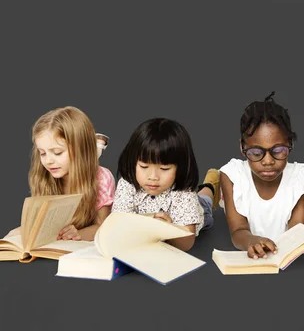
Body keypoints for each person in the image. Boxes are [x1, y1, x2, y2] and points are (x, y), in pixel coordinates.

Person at [220, 92, 304, 262]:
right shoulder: (232, 176)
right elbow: (238, 231)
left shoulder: (299, 178)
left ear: (290, 145)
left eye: (278, 151)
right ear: (242, 147)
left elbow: (297, 229)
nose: (268, 161)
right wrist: (251, 240)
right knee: (205, 205)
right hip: (227, 190)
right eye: (256, 153)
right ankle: (209, 187)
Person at [111, 118, 220, 252]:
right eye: (144, 166)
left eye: (164, 169)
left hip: (197, 211)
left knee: (205, 201)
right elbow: (118, 222)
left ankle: (211, 184)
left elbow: (187, 243)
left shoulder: (184, 193)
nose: (153, 177)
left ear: (180, 167)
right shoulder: (127, 184)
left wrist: (170, 231)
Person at [28, 106, 115, 241]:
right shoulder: (44, 177)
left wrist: (79, 234)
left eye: (57, 152)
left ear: (80, 149)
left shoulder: (101, 178)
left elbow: (102, 226)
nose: (48, 161)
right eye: (42, 153)